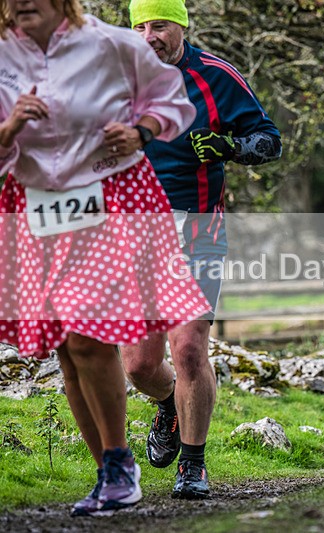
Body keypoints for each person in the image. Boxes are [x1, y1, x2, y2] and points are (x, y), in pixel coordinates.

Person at [0, 0, 209, 516]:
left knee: (85, 336)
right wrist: (10, 128)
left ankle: (119, 465)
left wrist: (141, 131)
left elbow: (175, 103)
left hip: (111, 197)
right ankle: (111, 472)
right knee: (66, 349)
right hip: (34, 207)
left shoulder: (111, 44)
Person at [120, 0, 282, 500]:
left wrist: (231, 147)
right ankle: (170, 404)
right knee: (139, 367)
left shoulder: (216, 76)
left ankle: (193, 463)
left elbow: (269, 141)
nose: (150, 36)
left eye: (160, 25)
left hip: (199, 232)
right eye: (141, 26)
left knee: (188, 348)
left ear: (182, 26)